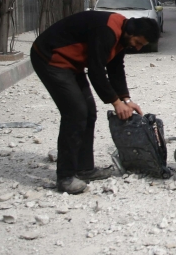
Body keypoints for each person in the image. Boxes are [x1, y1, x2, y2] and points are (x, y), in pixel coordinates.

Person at [31, 11, 160, 194]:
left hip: (71, 64)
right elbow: (96, 70)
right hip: (50, 58)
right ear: (131, 33)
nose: (138, 48)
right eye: (138, 43)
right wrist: (116, 103)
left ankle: (84, 169)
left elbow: (115, 68)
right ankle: (65, 177)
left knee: (89, 112)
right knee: (75, 113)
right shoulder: (107, 31)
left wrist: (126, 99)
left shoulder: (122, 35)